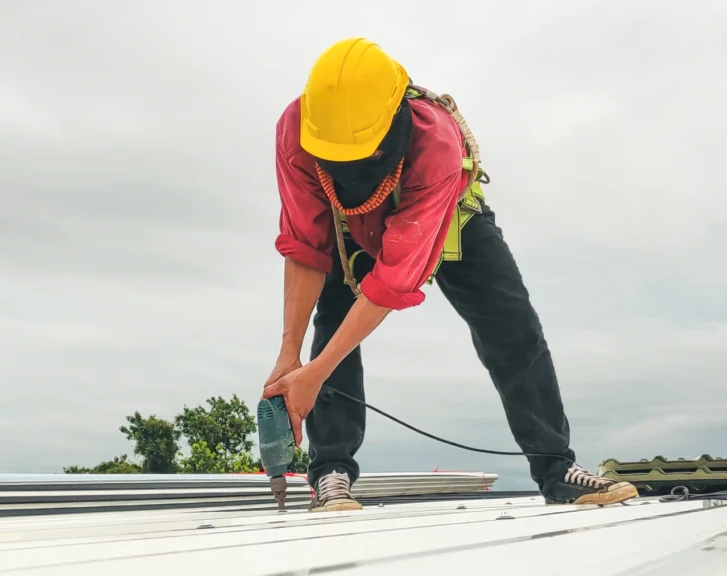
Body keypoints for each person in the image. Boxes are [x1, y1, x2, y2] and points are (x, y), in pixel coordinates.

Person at [262, 37, 638, 512]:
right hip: (350, 224)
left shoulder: (434, 140)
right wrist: (289, 358)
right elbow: (305, 244)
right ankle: (331, 472)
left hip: (447, 216)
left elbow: (393, 282)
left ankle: (557, 467)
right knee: (332, 322)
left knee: (512, 329)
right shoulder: (295, 130)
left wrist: (313, 376)